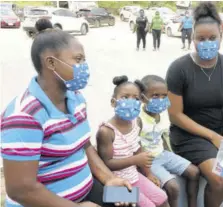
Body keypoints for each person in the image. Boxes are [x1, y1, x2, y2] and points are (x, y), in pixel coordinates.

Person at [0, 19, 134, 207]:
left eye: (84, 60)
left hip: (86, 189)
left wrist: (109, 178)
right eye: (78, 60)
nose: (84, 67)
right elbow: (20, 189)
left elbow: (84, 145)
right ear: (51, 63)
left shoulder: (75, 98)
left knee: (131, 197)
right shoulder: (23, 116)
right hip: (50, 203)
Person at [165, 2, 223, 207]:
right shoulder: (178, 69)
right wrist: (212, 137)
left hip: (220, 134)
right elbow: (175, 115)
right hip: (188, 136)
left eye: (212, 38)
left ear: (221, 36)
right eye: (201, 38)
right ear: (192, 38)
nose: (206, 43)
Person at [96, 75, 169, 207]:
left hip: (134, 176)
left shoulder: (135, 123)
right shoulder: (106, 132)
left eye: (136, 98)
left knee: (163, 197)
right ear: (113, 102)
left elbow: (137, 148)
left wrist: (148, 173)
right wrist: (135, 160)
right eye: (125, 97)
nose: (131, 102)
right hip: (117, 184)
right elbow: (106, 163)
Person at [140, 75, 200, 207]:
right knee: (173, 187)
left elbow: (165, 136)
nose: (160, 100)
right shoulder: (138, 118)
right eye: (155, 96)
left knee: (194, 172)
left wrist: (173, 156)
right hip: (147, 160)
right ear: (142, 97)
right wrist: (146, 171)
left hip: (162, 153)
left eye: (164, 95)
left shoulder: (163, 113)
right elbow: (135, 146)